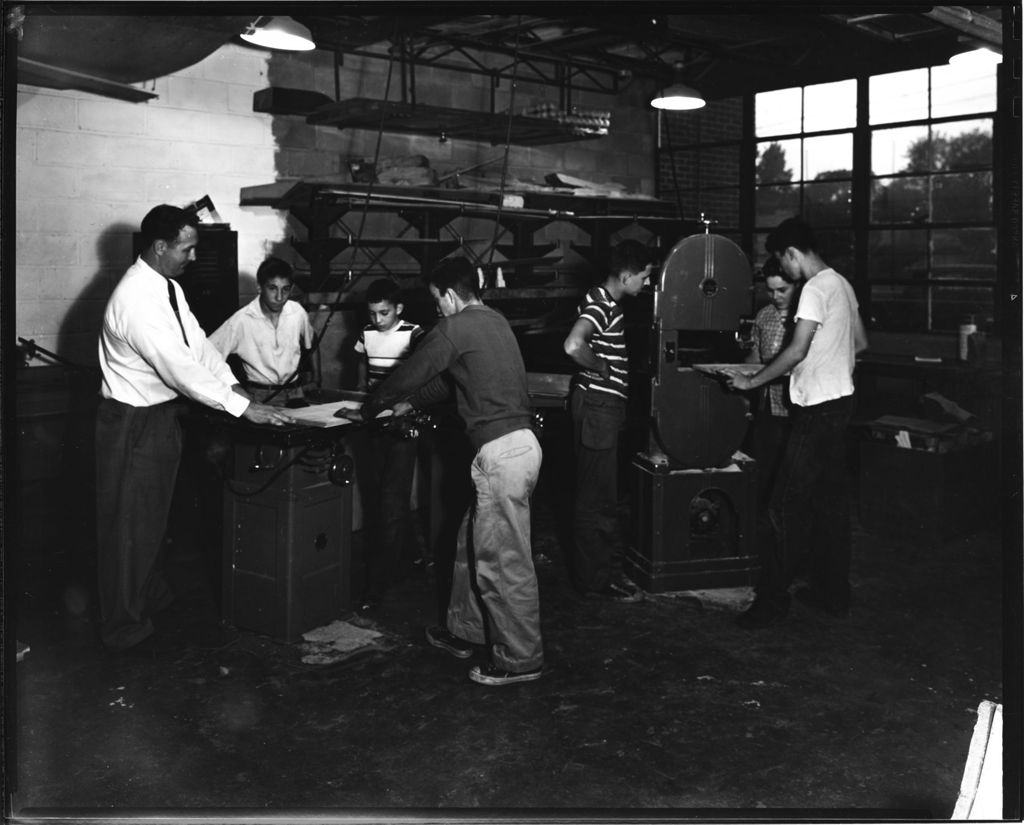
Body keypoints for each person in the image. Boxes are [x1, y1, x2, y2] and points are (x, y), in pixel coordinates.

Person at [96, 204, 294, 652]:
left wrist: (239, 393)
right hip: (132, 421)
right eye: (186, 248)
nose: (192, 257)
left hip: (161, 417)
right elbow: (178, 368)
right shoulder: (135, 299)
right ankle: (123, 628)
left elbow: (200, 348)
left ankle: (146, 598)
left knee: (152, 520)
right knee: (128, 527)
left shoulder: (167, 288)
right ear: (160, 246)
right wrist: (240, 409)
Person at [361, 256, 544, 686]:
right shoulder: (494, 322)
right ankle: (464, 629)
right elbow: (448, 381)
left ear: (446, 294)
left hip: (501, 455)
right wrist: (409, 404)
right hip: (518, 449)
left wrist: (373, 406)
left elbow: (414, 371)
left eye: (436, 300)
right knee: (469, 543)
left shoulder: (455, 326)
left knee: (503, 562)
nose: (437, 309)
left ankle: (520, 659)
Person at [725, 216, 868, 629]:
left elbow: (796, 351)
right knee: (830, 505)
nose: (782, 272)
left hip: (816, 410)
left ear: (791, 254)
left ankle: (771, 602)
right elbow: (858, 344)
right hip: (842, 403)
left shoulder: (813, 289)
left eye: (780, 262)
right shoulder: (841, 284)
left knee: (782, 506)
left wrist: (751, 379)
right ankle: (832, 593)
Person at [562, 239, 655, 602]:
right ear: (627, 275)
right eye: (644, 277)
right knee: (597, 500)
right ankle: (595, 581)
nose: (646, 284)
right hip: (598, 407)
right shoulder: (602, 305)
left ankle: (594, 573)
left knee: (598, 496)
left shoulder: (601, 299)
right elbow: (573, 345)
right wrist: (602, 366)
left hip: (599, 408)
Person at [351, 278, 425, 612]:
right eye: (373, 313)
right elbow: (362, 370)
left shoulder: (414, 334)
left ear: (399, 309)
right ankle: (414, 554)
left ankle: (378, 584)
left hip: (401, 424)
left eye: (384, 313)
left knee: (391, 501)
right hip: (373, 424)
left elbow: (425, 373)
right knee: (380, 495)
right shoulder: (366, 334)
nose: (378, 320)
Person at [208, 257, 317, 407]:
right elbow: (207, 355)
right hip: (260, 396)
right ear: (259, 288)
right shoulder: (241, 320)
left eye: (285, 289)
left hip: (295, 393)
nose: (279, 297)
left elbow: (313, 343)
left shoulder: (297, 312)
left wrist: (316, 379)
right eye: (272, 288)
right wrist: (234, 389)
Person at [745, 255, 798, 504]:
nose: (775, 296)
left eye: (782, 290)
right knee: (762, 466)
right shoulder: (764, 315)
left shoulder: (804, 318)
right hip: (766, 405)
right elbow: (755, 355)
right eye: (770, 290)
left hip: (794, 408)